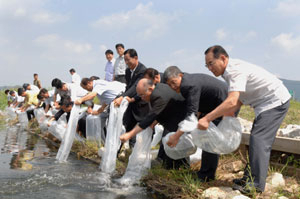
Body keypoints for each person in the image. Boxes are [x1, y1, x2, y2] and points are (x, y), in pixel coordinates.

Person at [198, 45, 291, 194]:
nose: (209, 68)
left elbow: (232, 101)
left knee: (259, 140)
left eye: (211, 63)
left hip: (275, 101)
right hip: (263, 104)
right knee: (256, 140)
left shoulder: (234, 70)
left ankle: (256, 185)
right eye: (206, 65)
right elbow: (239, 99)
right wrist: (228, 120)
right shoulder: (228, 73)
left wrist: (207, 118)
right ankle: (250, 178)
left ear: (222, 58)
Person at [163, 66, 228, 182]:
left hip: (224, 103)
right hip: (212, 106)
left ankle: (206, 176)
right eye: (169, 85)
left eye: (174, 82)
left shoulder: (189, 85)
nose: (173, 87)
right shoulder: (186, 82)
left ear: (180, 75)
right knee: (203, 133)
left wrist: (176, 136)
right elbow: (195, 106)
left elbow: (191, 115)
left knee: (210, 140)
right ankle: (205, 171)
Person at [120, 78, 189, 169]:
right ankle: (170, 166)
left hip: (181, 116)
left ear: (150, 89)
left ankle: (181, 168)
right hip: (171, 115)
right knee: (168, 142)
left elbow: (149, 118)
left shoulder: (158, 95)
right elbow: (160, 110)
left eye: (142, 95)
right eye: (139, 95)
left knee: (174, 142)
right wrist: (155, 122)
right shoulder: (156, 90)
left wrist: (129, 135)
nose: (141, 98)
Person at [113, 49, 149, 147]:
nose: (126, 62)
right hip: (130, 102)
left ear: (135, 58)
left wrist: (123, 97)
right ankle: (124, 149)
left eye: (128, 60)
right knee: (127, 125)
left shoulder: (143, 70)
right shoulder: (128, 71)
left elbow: (136, 87)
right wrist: (122, 96)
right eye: (125, 60)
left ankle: (135, 150)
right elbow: (129, 86)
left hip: (141, 103)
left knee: (139, 129)